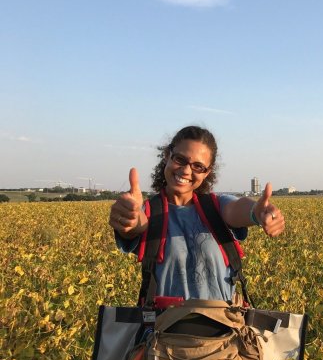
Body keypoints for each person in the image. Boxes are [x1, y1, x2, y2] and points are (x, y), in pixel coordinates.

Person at [108, 125, 285, 303]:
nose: (186, 170)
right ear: (167, 156)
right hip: (164, 328)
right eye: (180, 159)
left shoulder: (216, 207)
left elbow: (237, 208)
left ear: (207, 172)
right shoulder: (149, 212)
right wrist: (130, 218)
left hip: (223, 326)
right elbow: (138, 223)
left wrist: (256, 213)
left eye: (198, 166)